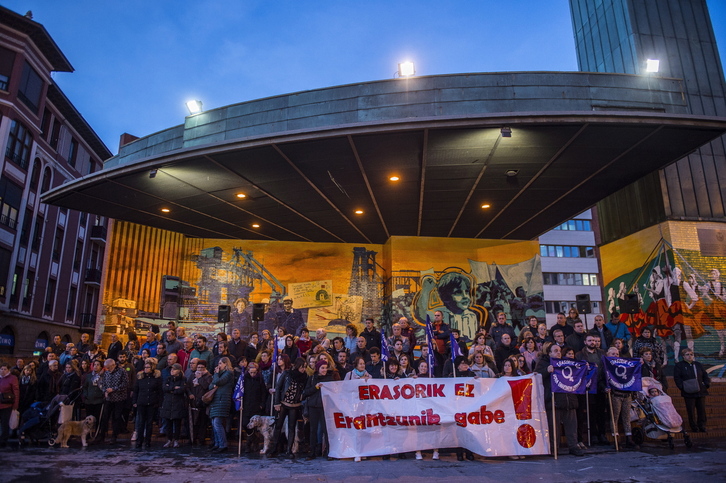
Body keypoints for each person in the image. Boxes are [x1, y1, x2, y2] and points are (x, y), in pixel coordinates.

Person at [535, 342, 584, 457]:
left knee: (572, 426)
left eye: (559, 351)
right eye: (555, 351)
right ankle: (553, 448)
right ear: (549, 352)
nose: (558, 353)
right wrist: (546, 371)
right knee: (554, 428)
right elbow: (536, 376)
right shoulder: (543, 363)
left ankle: (573, 446)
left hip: (568, 398)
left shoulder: (567, 362)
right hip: (553, 400)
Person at [270, 357, 308, 458]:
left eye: (304, 367)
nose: (303, 369)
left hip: (295, 404)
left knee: (291, 427)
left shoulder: (305, 377)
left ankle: (289, 450)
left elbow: (305, 390)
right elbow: (278, 387)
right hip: (284, 403)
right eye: (301, 367)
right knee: (278, 426)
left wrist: (301, 397)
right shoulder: (287, 374)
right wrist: (277, 403)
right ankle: (274, 448)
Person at [601, 346, 638, 449]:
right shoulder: (605, 365)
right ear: (608, 354)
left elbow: (632, 374)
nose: (615, 356)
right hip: (614, 394)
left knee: (627, 417)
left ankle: (628, 438)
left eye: (617, 354)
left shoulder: (624, 364)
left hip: (626, 394)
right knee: (614, 417)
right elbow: (601, 379)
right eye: (613, 354)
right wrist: (604, 388)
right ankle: (615, 439)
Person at [575, 333, 608, 445]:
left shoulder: (602, 353)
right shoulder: (580, 355)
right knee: (591, 411)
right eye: (589, 340)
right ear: (585, 342)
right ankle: (593, 434)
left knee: (601, 411)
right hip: (588, 386)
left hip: (601, 385)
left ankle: (602, 434)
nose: (592, 342)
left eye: (594, 340)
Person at [303, 359, 338, 460]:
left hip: (325, 406)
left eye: (326, 368)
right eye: (322, 368)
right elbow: (306, 392)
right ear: (318, 368)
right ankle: (312, 452)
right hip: (313, 406)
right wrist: (316, 387)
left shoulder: (330, 379)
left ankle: (328, 452)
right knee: (313, 430)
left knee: (326, 430)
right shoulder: (312, 378)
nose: (324, 370)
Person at [673, 348, 710, 433]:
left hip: (700, 390)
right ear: (683, 356)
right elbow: (677, 378)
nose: (690, 356)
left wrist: (706, 384)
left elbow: (705, 375)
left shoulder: (697, 364)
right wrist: (682, 387)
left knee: (701, 409)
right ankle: (694, 426)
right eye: (687, 354)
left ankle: (702, 425)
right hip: (688, 391)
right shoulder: (679, 366)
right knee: (691, 410)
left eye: (691, 354)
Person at [448, 356, 476, 461]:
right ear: (458, 366)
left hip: (469, 406)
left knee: (469, 431)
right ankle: (459, 452)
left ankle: (469, 452)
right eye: (462, 363)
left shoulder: (472, 375)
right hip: (457, 406)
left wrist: (478, 381)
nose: (465, 365)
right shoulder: (452, 376)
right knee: (458, 431)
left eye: (466, 363)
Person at [97, 358, 129, 444]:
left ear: (113, 365)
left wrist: (113, 389)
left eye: (108, 367)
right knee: (105, 417)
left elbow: (125, 384)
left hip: (119, 399)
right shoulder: (106, 373)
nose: (107, 369)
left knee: (116, 417)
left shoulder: (122, 371)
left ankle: (114, 436)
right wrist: (105, 391)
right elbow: (103, 383)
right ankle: (102, 436)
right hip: (108, 399)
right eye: (106, 368)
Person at [133, 359, 162, 449]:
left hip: (152, 403)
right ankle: (139, 441)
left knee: (149, 423)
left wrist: (159, 402)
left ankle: (148, 441)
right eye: (145, 367)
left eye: (148, 367)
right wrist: (134, 401)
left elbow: (159, 391)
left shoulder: (156, 379)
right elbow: (136, 391)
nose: (146, 369)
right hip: (141, 402)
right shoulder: (140, 378)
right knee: (141, 422)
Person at [239, 361, 267, 452]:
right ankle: (254, 440)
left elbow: (263, 392)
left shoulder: (259, 379)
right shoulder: (244, 379)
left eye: (254, 372)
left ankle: (249, 444)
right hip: (246, 406)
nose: (252, 374)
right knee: (245, 424)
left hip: (256, 406)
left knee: (254, 426)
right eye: (251, 372)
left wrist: (262, 404)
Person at [209, 357, 234, 452]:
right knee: (214, 423)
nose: (218, 365)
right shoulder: (219, 374)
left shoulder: (228, 373)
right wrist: (216, 379)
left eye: (220, 363)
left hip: (222, 400)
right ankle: (217, 443)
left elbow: (217, 382)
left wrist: (216, 374)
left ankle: (223, 445)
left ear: (225, 364)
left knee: (217, 423)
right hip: (216, 400)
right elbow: (211, 385)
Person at [160, 363, 187, 448]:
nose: (172, 371)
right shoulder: (168, 378)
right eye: (171, 369)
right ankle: (169, 439)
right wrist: (173, 388)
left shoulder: (183, 379)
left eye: (174, 369)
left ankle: (176, 439)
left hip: (177, 403)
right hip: (168, 403)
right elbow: (164, 388)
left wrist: (171, 389)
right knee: (168, 423)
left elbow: (182, 390)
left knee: (177, 423)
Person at [187, 360, 212, 446]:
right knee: (193, 422)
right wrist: (190, 394)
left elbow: (207, 386)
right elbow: (187, 386)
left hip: (202, 402)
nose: (200, 369)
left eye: (202, 368)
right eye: (198, 367)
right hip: (193, 401)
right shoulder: (192, 375)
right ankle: (192, 438)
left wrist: (200, 378)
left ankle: (201, 439)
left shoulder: (208, 376)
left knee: (202, 422)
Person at [0, 363, 20, 448]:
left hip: (7, 404)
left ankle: (3, 440)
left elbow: (16, 391)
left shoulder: (12, 378)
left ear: (8, 370)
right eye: (1, 369)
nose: (3, 371)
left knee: (5, 423)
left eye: (5, 369)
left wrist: (15, 405)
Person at [82, 360, 105, 424]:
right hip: (89, 400)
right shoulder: (89, 376)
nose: (96, 366)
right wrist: (85, 395)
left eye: (98, 365)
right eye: (95, 365)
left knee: (97, 418)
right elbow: (85, 386)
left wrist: (102, 395)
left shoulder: (104, 376)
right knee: (88, 417)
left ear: (101, 367)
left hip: (99, 400)